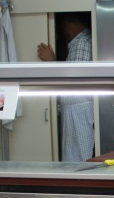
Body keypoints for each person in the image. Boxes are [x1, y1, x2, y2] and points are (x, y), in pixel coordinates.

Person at [37, 12, 95, 162]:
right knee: (73, 157)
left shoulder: (82, 42)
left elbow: (73, 80)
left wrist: (52, 62)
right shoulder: (79, 42)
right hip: (74, 112)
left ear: (69, 25)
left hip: (79, 111)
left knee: (82, 159)